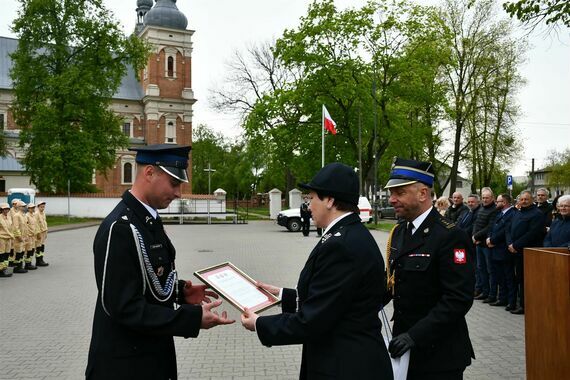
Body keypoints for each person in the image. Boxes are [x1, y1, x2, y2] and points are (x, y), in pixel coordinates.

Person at [86, 144, 234, 380]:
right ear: (149, 173)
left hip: (151, 359)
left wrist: (179, 293)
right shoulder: (121, 228)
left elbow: (146, 279)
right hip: (125, 367)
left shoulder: (147, 220)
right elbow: (124, 308)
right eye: (174, 184)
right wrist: (191, 319)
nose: (178, 193)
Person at [241, 162, 393, 380]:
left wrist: (260, 324)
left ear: (330, 200)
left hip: (345, 366)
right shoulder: (348, 233)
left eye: (311, 197)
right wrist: (282, 294)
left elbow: (314, 320)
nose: (308, 205)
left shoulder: (342, 245)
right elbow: (335, 299)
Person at [383, 157, 475, 380]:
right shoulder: (400, 232)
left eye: (399, 193)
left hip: (439, 354)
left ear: (423, 194)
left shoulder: (450, 236)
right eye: (391, 193)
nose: (392, 199)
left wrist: (414, 336)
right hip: (404, 351)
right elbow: (391, 284)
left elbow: (458, 299)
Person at [506, 190, 545, 315]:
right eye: (521, 199)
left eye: (526, 199)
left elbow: (532, 233)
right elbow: (509, 228)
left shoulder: (537, 214)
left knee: (525, 280)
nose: (523, 201)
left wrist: (516, 245)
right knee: (517, 278)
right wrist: (510, 243)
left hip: (527, 252)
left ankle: (525, 305)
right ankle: (517, 303)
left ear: (532, 200)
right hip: (513, 250)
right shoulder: (517, 213)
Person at [486, 194, 516, 309]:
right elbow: (492, 227)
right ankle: (502, 298)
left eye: (498, 202)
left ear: (504, 202)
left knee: (508, 277)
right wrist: (489, 238)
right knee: (500, 276)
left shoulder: (511, 214)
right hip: (495, 249)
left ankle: (511, 301)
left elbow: (505, 231)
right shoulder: (499, 213)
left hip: (503, 249)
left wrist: (492, 240)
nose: (496, 204)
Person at [472, 188, 498, 303]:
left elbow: (489, 227)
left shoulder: (494, 210)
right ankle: (483, 291)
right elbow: (477, 224)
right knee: (480, 268)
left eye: (487, 198)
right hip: (478, 244)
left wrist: (476, 237)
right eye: (483, 198)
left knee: (490, 270)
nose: (485, 200)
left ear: (492, 198)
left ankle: (491, 294)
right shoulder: (481, 208)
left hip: (486, 245)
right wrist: (474, 236)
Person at [0, 203, 14, 278]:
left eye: (7, 209)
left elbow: (11, 227)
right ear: (2, 210)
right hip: (1, 238)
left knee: (7, 254)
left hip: (9, 238)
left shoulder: (9, 217)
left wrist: (12, 235)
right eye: (4, 209)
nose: (6, 210)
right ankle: (1, 271)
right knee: (1, 254)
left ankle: (4, 268)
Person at [23, 203, 38, 270]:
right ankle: (27, 264)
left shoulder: (33, 215)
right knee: (28, 250)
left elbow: (35, 225)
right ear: (28, 209)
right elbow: (26, 227)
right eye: (31, 208)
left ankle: (29, 263)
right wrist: (29, 234)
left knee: (32, 249)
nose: (33, 209)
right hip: (29, 235)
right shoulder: (26, 216)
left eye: (33, 208)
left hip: (33, 235)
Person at [34, 201, 49, 266]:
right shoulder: (36, 214)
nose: (42, 208)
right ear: (38, 207)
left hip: (44, 231)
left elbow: (44, 222)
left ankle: (41, 259)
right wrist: (38, 233)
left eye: (43, 207)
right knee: (38, 246)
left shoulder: (43, 213)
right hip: (39, 232)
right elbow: (36, 224)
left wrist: (46, 232)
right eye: (41, 207)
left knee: (42, 246)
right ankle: (38, 261)